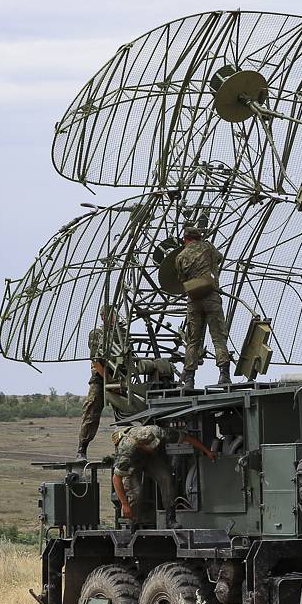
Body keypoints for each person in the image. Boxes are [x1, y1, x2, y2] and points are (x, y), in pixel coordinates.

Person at [111, 424, 215, 527]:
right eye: (150, 446)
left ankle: (170, 519)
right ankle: (132, 524)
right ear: (141, 445)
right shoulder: (126, 451)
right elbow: (116, 479)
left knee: (166, 477)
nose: (154, 447)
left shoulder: (159, 432)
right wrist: (124, 504)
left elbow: (186, 437)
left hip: (148, 458)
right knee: (135, 493)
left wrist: (207, 451)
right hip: (133, 461)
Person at [175, 225, 231, 387]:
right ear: (199, 237)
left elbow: (181, 279)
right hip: (211, 297)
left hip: (194, 300)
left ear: (185, 239)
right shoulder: (208, 248)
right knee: (218, 338)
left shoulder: (180, 256)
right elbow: (219, 258)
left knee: (193, 341)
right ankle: (223, 376)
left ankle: (189, 379)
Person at [76, 306, 123, 461]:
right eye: (109, 315)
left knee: (123, 415)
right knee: (91, 409)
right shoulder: (97, 334)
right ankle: (82, 450)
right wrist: (108, 379)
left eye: (113, 314)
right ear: (103, 317)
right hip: (100, 378)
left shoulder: (121, 334)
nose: (112, 317)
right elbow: (96, 362)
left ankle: (121, 449)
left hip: (119, 379)